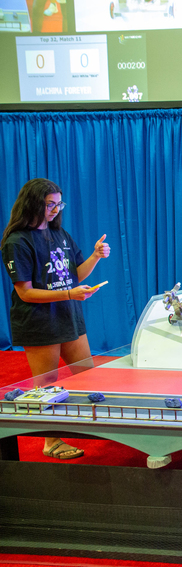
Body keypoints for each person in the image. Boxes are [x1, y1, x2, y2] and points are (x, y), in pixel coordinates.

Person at [2, 178, 110, 460]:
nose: (55, 209)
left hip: (68, 314)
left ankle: (101, 426)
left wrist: (96, 256)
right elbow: (25, 293)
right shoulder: (17, 241)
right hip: (39, 320)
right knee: (46, 385)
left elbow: (77, 274)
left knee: (87, 375)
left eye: (58, 204)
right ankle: (50, 441)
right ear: (33, 203)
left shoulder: (60, 234)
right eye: (49, 204)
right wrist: (68, 294)